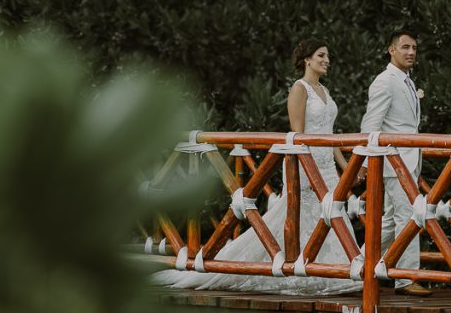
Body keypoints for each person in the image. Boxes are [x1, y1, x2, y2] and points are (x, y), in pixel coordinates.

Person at [153, 39, 358, 295]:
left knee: (330, 211)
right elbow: (297, 134)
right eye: (321, 55)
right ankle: (297, 268)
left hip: (327, 164)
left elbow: (329, 134)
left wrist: (346, 165)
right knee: (303, 214)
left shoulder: (325, 92)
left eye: (327, 56)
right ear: (307, 59)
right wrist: (311, 164)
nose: (327, 60)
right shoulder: (299, 88)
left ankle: (334, 269)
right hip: (305, 162)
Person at [360, 30, 432, 296]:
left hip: (408, 160)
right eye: (405, 47)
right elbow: (370, 125)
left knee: (389, 221)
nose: (411, 52)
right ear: (391, 50)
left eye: (414, 48)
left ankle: (357, 265)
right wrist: (367, 162)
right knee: (409, 216)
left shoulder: (407, 81)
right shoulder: (385, 81)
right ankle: (405, 278)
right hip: (393, 162)